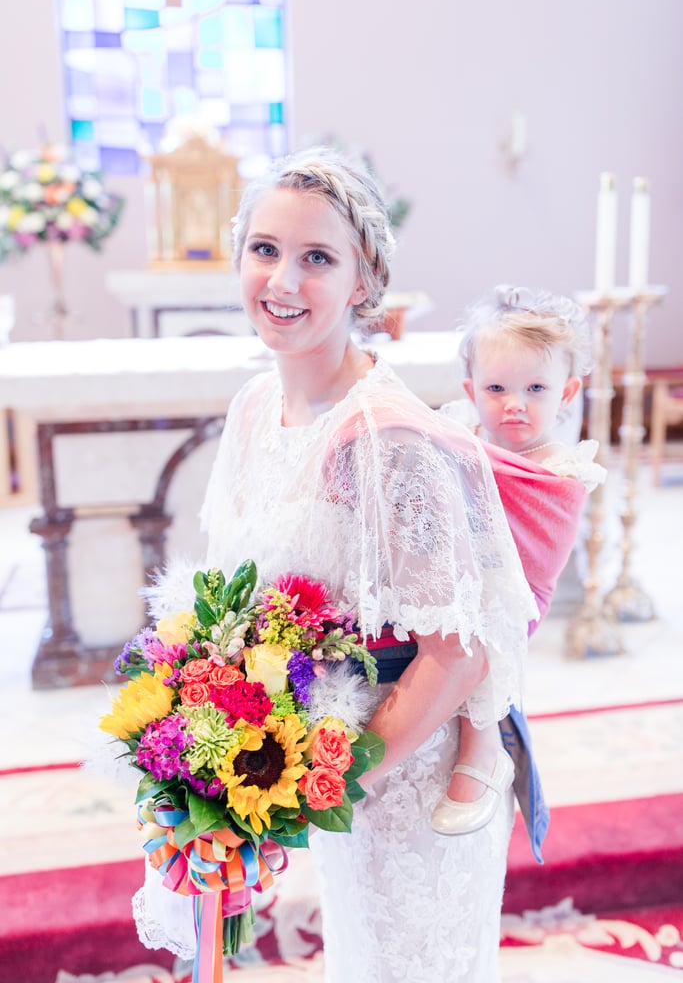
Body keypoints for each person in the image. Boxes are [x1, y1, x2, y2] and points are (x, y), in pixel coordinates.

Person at [130, 147, 539, 982]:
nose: (282, 280)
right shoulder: (254, 406)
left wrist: (316, 786)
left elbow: (456, 651)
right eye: (265, 249)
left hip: (408, 788)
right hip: (329, 759)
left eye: (317, 258)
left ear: (362, 281)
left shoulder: (387, 438)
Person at [431, 286, 606, 839]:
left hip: (517, 591)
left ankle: (483, 745)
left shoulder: (560, 468)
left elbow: (538, 548)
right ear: (470, 390)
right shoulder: (458, 433)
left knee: (486, 636)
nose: (515, 403)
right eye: (497, 388)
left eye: (536, 388)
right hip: (455, 573)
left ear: (568, 392)